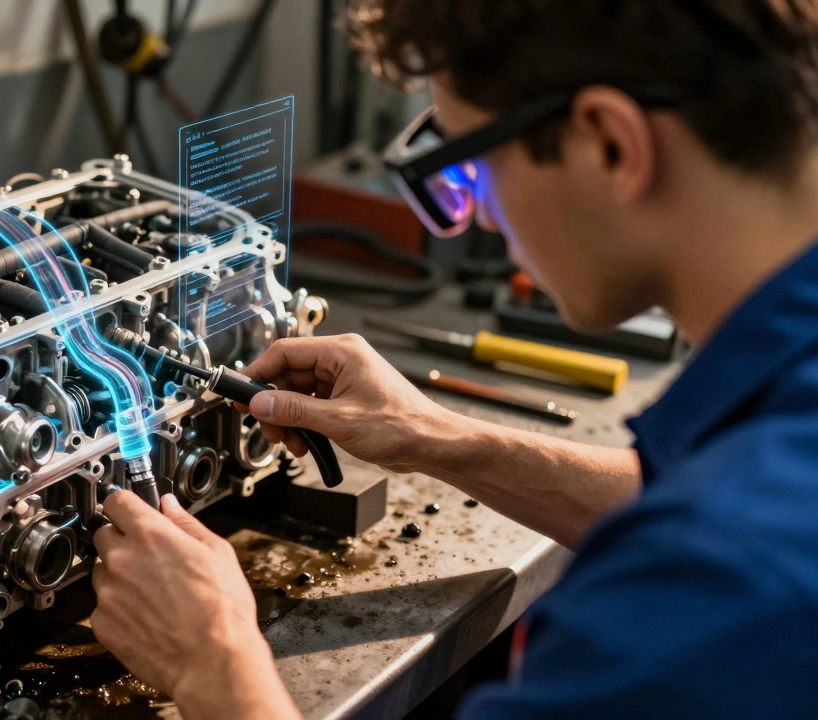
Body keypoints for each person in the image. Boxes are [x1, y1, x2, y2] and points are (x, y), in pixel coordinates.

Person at [90, 1, 818, 718]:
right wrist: (439, 437)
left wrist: (213, 664)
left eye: (469, 168)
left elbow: (715, 535)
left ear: (609, 145)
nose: (482, 218)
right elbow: (678, 494)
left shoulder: (703, 601)